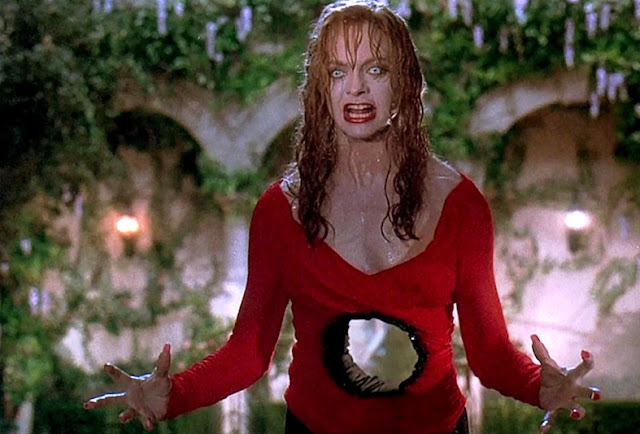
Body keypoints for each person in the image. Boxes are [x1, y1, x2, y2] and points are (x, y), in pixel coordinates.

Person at [83, 1, 600, 432]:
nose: (355, 88)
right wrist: (172, 395)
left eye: (375, 70)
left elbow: (488, 353)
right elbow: (248, 353)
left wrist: (538, 384)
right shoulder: (279, 210)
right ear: (321, 90)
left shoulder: (461, 205)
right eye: (337, 72)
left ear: (404, 84)